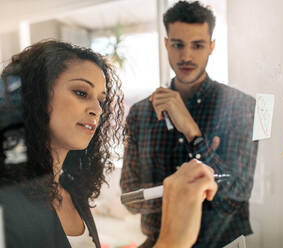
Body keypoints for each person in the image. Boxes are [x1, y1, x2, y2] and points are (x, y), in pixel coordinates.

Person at [0, 40, 218, 248]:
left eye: (101, 99)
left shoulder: (73, 192)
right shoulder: (8, 204)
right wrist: (172, 241)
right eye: (81, 92)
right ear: (34, 97)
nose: (97, 109)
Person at [120, 1, 259, 247]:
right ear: (166, 44)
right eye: (177, 44)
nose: (186, 56)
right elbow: (131, 199)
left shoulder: (240, 107)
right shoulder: (141, 113)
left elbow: (235, 198)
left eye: (197, 45)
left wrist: (192, 132)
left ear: (211, 46)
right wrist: (195, 191)